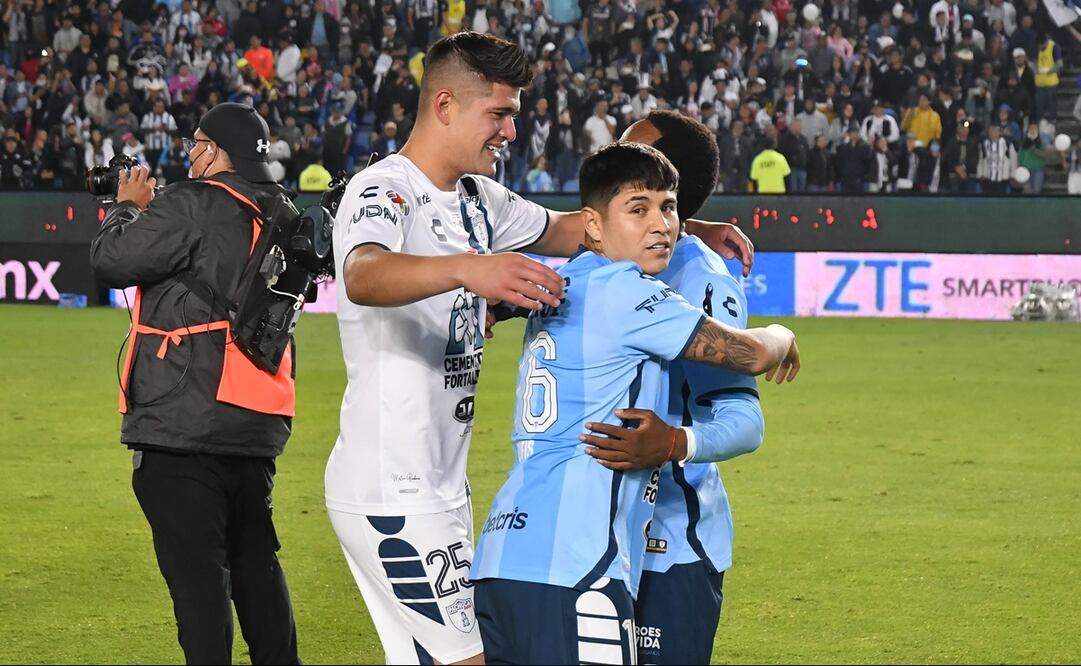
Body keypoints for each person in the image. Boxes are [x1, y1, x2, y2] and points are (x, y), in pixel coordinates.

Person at [326, 32, 754, 666]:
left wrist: (677, 225)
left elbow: (571, 231)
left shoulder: (479, 197)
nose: (509, 132)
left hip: (444, 484)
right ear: (445, 105)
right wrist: (471, 271)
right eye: (497, 115)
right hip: (393, 486)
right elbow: (362, 275)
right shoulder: (385, 189)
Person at [470, 142, 798, 665]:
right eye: (638, 208)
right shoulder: (629, 294)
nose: (661, 224)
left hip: (502, 554)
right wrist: (782, 333)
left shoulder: (558, 283)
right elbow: (752, 353)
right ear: (593, 225)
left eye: (668, 207)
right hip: (578, 561)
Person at [88, 102, 300, 666]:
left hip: (186, 419)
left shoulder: (194, 201)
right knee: (256, 564)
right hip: (256, 414)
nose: (188, 155)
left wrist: (124, 208)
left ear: (215, 151)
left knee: (199, 582)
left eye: (195, 144)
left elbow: (113, 260)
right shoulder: (279, 208)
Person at [575, 111, 778, 664]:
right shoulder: (604, 258)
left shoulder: (702, 278)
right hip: (594, 540)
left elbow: (742, 419)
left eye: (633, 149)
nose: (617, 154)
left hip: (671, 546)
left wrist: (673, 443)